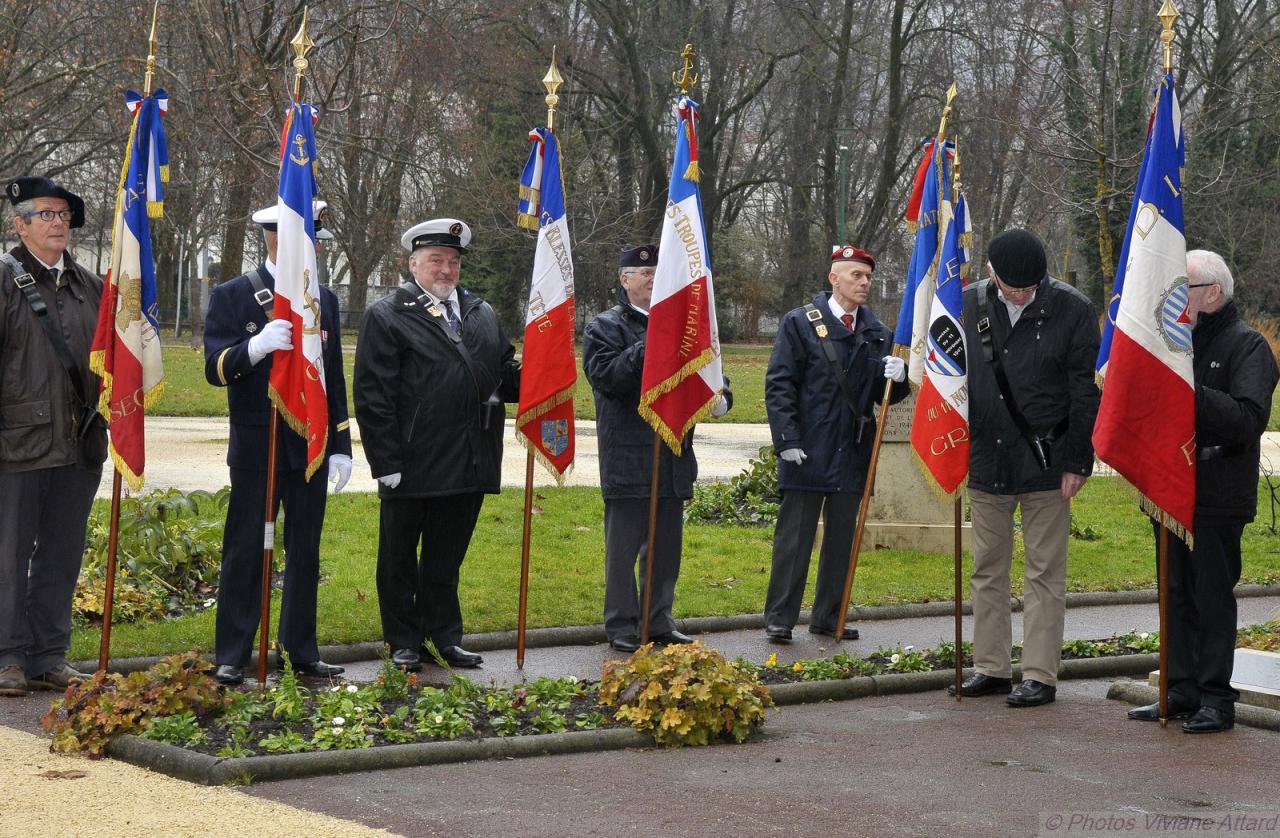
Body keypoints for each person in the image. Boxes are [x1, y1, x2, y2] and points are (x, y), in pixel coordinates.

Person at [354, 218, 519, 671]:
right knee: (399, 558)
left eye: (452, 261)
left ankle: (444, 637)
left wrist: (541, 366)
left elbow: (505, 374)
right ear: (413, 265)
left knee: (446, 558)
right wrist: (383, 459)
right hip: (412, 460)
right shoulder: (387, 315)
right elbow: (373, 395)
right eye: (435, 261)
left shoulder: (481, 313)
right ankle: (403, 640)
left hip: (470, 457)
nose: (446, 270)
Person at [1126, 250, 1278, 733]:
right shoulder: (1172, 343)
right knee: (1174, 592)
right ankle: (1179, 688)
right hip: (1170, 486)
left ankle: (1216, 698)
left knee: (1211, 594)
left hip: (1217, 490)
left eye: (1181, 290)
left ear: (1212, 293)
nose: (1172, 300)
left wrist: (1187, 388)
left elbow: (1248, 420)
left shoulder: (1247, 346)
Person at [203, 202, 351, 685]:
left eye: (317, 238)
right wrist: (255, 347)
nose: (315, 246)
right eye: (305, 237)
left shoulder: (322, 298)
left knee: (305, 550)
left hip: (309, 444)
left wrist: (342, 445)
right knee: (246, 548)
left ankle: (300, 648)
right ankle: (233, 652)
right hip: (257, 445)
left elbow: (332, 377)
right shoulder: (233, 295)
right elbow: (214, 368)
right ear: (274, 240)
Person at [952, 228, 1100, 707]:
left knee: (1044, 572)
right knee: (986, 568)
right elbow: (948, 374)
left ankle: (1039, 673)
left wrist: (1078, 460)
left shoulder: (1073, 309)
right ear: (991, 273)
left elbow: (1085, 393)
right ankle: (991, 667)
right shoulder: (967, 303)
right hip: (986, 458)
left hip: (1048, 461)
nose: (1021, 294)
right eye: (1013, 287)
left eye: (1030, 287)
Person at [582, 244, 732, 653]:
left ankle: (658, 619)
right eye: (642, 273)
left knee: (665, 549)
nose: (651, 279)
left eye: (657, 273)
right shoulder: (605, 327)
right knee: (624, 548)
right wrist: (654, 341)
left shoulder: (688, 327)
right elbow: (609, 379)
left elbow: (713, 374)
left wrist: (721, 397)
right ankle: (622, 624)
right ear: (624, 279)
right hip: (629, 454)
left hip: (673, 454)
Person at [762, 245, 909, 643]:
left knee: (842, 540)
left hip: (852, 448)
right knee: (795, 540)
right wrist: (787, 439)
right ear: (834, 279)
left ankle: (829, 616)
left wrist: (900, 377)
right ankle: (780, 618)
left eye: (868, 277)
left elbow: (883, 395)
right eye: (856, 276)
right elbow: (780, 384)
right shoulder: (801, 323)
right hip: (808, 447)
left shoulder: (877, 332)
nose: (864, 283)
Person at [0, 176, 103, 697]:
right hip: (16, 442)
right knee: (8, 552)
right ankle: (7, 656)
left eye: (64, 214)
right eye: (46, 214)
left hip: (79, 442)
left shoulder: (92, 286)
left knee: (62, 552)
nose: (59, 222)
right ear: (20, 224)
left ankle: (47, 655)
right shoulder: (3, 279)